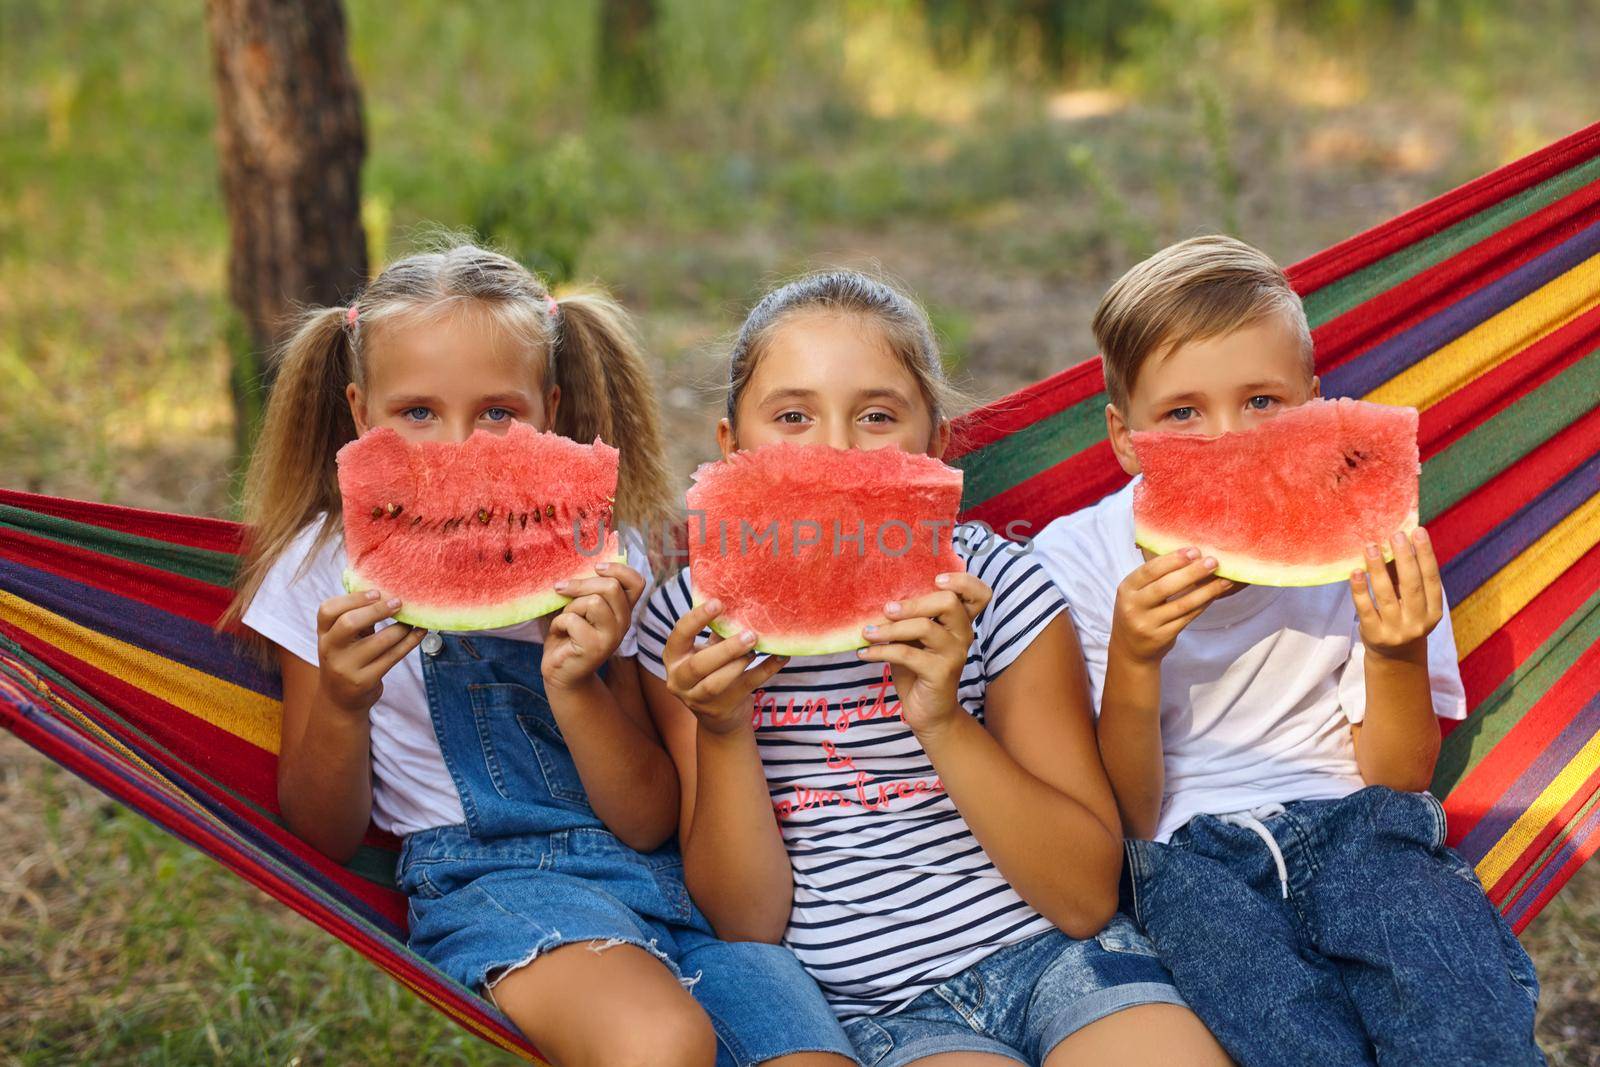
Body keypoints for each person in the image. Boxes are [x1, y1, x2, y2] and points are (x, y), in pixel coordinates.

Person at [226, 241, 855, 1067]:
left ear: (549, 412)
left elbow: (649, 816)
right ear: (357, 412)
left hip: (662, 884)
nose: (460, 451)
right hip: (490, 883)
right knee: (661, 1043)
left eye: (498, 414)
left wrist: (577, 685)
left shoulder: (604, 554)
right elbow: (323, 831)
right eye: (416, 413)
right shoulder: (319, 568)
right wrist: (345, 704)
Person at [639, 270, 1231, 1067]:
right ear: (730, 445)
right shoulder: (690, 628)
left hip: (1062, 957)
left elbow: (1087, 896)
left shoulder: (1004, 588)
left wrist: (943, 718)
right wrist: (722, 729)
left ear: (937, 446)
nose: (838, 451)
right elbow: (747, 920)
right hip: (886, 1015)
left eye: (877, 416)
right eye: (792, 416)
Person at [1031, 235, 1543, 1067]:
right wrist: (1133, 660)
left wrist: (1396, 648)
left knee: (1465, 1022)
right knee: (1294, 1045)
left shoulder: (1367, 536)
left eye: (1263, 403)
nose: (1230, 440)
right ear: (1124, 439)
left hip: (1363, 829)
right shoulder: (1076, 563)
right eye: (1183, 413)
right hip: (1185, 862)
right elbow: (1122, 814)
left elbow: (1398, 774)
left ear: (1314, 403)